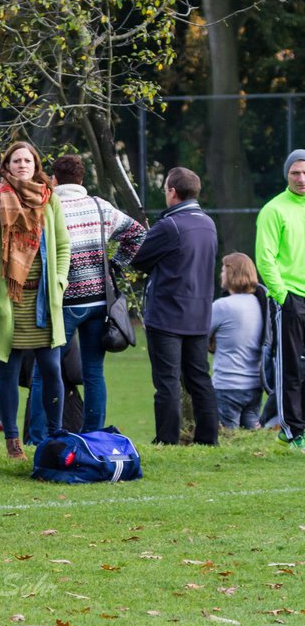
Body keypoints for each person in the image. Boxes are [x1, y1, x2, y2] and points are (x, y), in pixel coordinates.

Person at [0, 141, 70, 459]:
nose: (22, 165)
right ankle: (13, 442)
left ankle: (55, 435)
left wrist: (60, 281)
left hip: (43, 302)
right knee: (8, 371)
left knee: (52, 368)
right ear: (6, 166)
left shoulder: (49, 201)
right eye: (16, 160)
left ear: (36, 165)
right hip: (9, 303)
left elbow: (64, 246)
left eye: (27, 160)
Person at [47, 155, 146, 432]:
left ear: (54, 179)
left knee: (47, 369)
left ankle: (41, 433)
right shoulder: (100, 207)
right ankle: (93, 433)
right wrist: (117, 262)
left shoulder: (49, 207)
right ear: (82, 180)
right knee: (93, 372)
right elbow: (137, 233)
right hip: (98, 300)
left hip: (63, 301)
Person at [130, 167, 219, 445]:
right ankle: (208, 438)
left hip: (167, 315)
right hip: (199, 314)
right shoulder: (208, 223)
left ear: (172, 192)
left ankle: (167, 439)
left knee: (167, 382)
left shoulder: (170, 225)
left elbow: (138, 259)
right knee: (199, 379)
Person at [255, 149, 305, 449]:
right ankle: (292, 431)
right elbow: (265, 258)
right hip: (290, 299)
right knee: (292, 368)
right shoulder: (274, 210)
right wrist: (282, 295)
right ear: (286, 175)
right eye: (295, 173)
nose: (301, 178)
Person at [210, 253, 264, 430]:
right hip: (255, 385)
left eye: (223, 270)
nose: (221, 275)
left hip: (227, 385)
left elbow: (200, 336)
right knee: (250, 439)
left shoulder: (222, 306)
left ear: (233, 272)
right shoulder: (260, 304)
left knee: (227, 440)